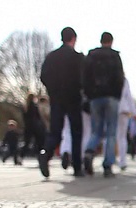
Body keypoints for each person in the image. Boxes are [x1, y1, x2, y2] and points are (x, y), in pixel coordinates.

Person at [39, 27, 85, 178]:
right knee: (76, 132)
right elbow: (83, 78)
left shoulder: (52, 57)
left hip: (57, 98)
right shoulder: (77, 58)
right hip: (73, 98)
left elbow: (43, 75)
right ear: (74, 39)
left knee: (55, 131)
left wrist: (52, 90)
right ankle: (77, 166)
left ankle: (46, 153)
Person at [83, 32, 125, 178]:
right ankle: (108, 165)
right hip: (111, 97)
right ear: (111, 41)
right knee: (111, 133)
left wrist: (89, 94)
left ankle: (89, 151)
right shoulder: (115, 56)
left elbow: (85, 77)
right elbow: (120, 78)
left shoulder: (91, 56)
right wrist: (117, 95)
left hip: (95, 97)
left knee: (96, 131)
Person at [116, 77, 136, 171]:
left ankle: (109, 159)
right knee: (122, 137)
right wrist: (134, 112)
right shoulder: (124, 80)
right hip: (123, 109)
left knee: (109, 136)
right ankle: (122, 161)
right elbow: (128, 96)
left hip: (112, 109)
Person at [20, 94, 46, 159]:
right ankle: (40, 157)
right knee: (39, 142)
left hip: (28, 126)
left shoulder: (25, 107)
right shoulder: (34, 106)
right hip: (36, 126)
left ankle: (20, 156)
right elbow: (38, 116)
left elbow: (24, 117)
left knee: (27, 143)